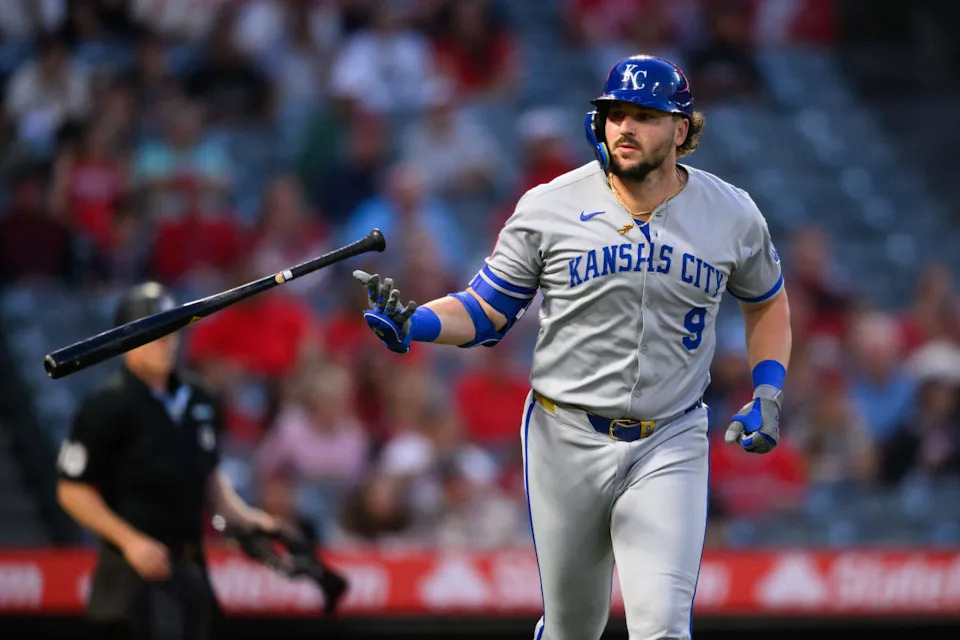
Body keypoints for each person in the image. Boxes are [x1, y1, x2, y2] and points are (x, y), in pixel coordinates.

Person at [352, 55, 792, 640]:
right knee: (572, 628)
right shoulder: (548, 206)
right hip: (564, 435)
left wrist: (768, 389)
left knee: (662, 627)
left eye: (644, 116)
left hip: (671, 436)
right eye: (614, 115)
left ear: (681, 130)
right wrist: (419, 324)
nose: (625, 128)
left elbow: (767, 301)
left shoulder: (731, 213)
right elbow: (486, 311)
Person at [56, 282, 280, 640]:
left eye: (171, 328)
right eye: (153, 331)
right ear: (126, 339)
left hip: (189, 567)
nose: (166, 340)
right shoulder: (106, 405)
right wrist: (129, 541)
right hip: (132, 575)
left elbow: (207, 472)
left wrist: (240, 514)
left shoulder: (200, 398)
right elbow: (72, 489)